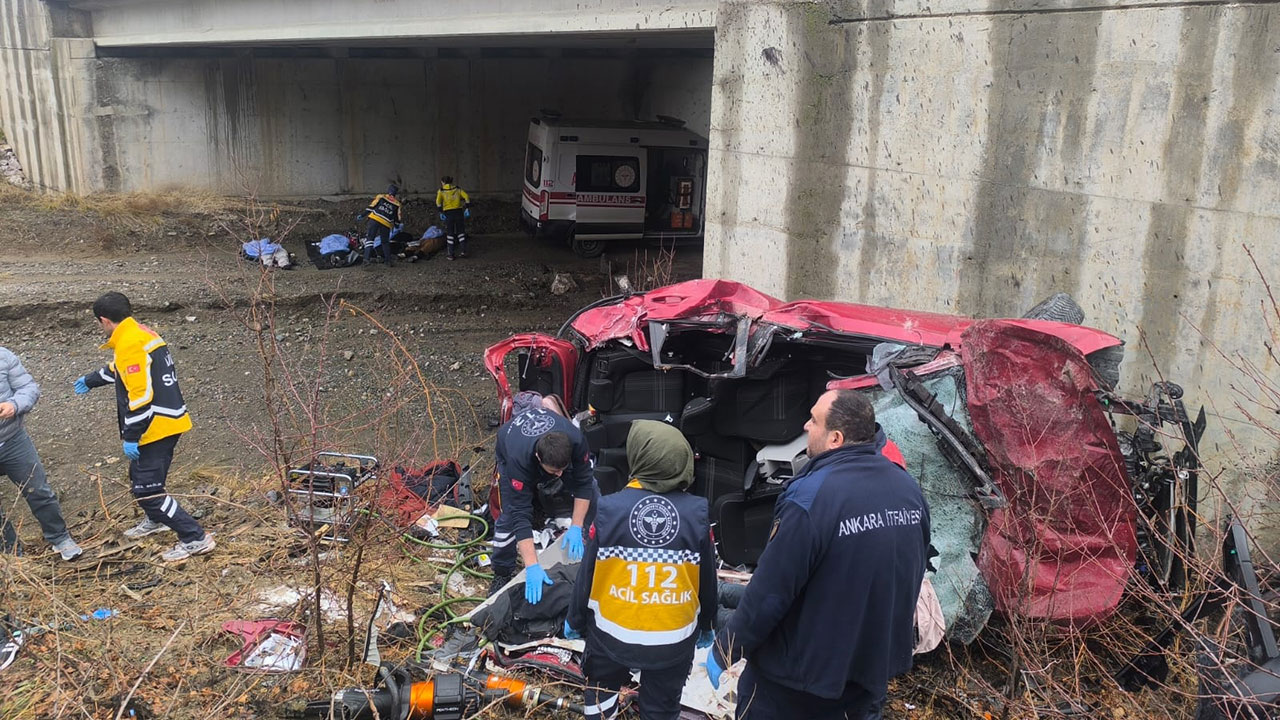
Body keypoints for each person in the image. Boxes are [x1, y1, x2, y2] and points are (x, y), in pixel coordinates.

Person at [706, 389, 930, 720]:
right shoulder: (907, 490)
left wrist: (727, 649)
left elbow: (771, 592)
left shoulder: (810, 498)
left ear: (835, 438)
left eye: (813, 420)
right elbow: (910, 571)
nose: (806, 426)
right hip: (870, 670)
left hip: (797, 683)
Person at [566, 420, 717, 720]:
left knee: (600, 697)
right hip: (672, 641)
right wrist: (707, 624)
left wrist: (575, 618)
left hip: (610, 635)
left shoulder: (609, 509)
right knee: (661, 709)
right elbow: (707, 581)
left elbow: (588, 575)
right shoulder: (697, 513)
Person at [74, 292, 215, 562]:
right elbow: (123, 369)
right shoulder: (142, 333)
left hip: (157, 426)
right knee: (138, 476)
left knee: (148, 491)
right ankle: (156, 520)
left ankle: (195, 537)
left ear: (104, 320)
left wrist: (131, 435)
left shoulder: (128, 343)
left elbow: (140, 396)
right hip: (170, 417)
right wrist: (92, 379)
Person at [489, 396, 597, 603]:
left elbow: (584, 483)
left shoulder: (575, 439)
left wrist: (576, 525)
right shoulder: (518, 460)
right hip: (511, 445)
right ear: (539, 459)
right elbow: (520, 515)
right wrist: (532, 566)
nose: (559, 476)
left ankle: (592, 546)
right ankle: (501, 572)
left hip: (554, 448)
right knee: (509, 517)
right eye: (554, 471)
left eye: (562, 470)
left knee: (593, 491)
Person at [0, 347, 82, 561]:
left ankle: (59, 538)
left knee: (38, 491)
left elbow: (28, 387)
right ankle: (10, 555)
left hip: (12, 440)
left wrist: (15, 405)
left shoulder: (3, 356)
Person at [362, 184, 402, 267]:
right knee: (385, 242)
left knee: (370, 239)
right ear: (395, 193)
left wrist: (362, 215)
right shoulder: (397, 204)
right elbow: (397, 218)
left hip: (374, 220)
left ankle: (366, 260)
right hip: (386, 223)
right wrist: (397, 225)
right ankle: (388, 261)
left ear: (388, 191)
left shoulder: (381, 196)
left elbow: (371, 207)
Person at [434, 175, 471, 260]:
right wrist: (467, 208)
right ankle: (464, 251)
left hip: (448, 213)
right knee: (461, 232)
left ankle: (451, 254)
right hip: (459, 212)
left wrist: (440, 212)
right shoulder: (457, 189)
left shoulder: (441, 191)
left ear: (443, 182)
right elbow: (466, 196)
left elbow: (438, 202)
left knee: (450, 233)